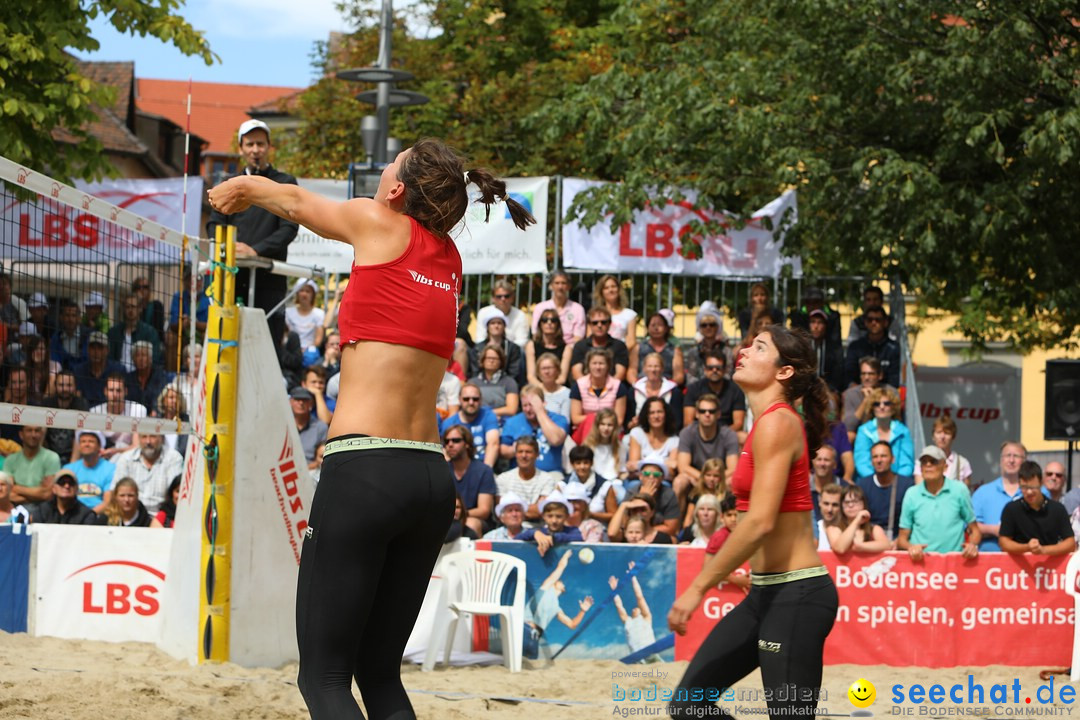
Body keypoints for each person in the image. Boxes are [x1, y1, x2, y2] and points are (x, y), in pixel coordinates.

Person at [209, 136, 535, 720]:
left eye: (394, 160)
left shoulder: (379, 222)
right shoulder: (448, 259)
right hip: (429, 481)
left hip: (366, 471)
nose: (384, 164)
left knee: (324, 679)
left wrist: (243, 186)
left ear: (397, 189)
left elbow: (292, 201)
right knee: (380, 675)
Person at [667, 324, 837, 720]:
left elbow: (759, 523)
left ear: (784, 372)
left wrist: (698, 589)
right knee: (689, 706)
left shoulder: (779, 422)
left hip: (798, 595)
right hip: (763, 595)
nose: (744, 351)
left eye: (759, 347)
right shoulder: (762, 426)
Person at [207, 119, 299, 348]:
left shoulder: (285, 183)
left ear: (269, 147)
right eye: (250, 144)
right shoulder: (229, 184)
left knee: (266, 351)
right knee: (228, 350)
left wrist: (255, 251)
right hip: (231, 281)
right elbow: (214, 225)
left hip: (270, 284)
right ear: (241, 149)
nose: (255, 150)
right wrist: (231, 248)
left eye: (260, 144)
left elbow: (289, 228)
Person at [897, 445, 980, 559]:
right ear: (920, 468)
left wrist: (972, 545)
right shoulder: (911, 494)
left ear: (945, 467)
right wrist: (911, 547)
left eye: (933, 461)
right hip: (921, 566)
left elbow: (974, 530)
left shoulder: (959, 490)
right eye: (924, 462)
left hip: (953, 566)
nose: (928, 465)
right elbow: (902, 539)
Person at [971, 441, 1049, 552]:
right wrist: (995, 530)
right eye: (1007, 455)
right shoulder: (982, 493)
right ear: (1001, 460)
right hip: (990, 560)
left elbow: (1048, 523)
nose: (1011, 460)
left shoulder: (1040, 492)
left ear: (1025, 461)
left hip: (1030, 560)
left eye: (1016, 456)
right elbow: (971, 526)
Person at [674, 393, 740, 506]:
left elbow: (733, 468)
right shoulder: (687, 433)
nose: (707, 414)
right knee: (679, 482)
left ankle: (731, 519)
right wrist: (704, 478)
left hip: (721, 478)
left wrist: (714, 478)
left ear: (718, 414)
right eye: (702, 411)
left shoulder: (729, 435)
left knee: (733, 482)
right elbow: (683, 467)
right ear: (697, 414)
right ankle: (678, 522)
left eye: (712, 411)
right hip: (695, 478)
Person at [998, 460, 1075, 556]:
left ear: (1041, 483)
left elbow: (1070, 543)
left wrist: (1043, 550)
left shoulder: (1057, 509)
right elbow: (1004, 542)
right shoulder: (1011, 509)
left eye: (1033, 487)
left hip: (1050, 566)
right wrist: (1026, 547)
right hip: (1019, 568)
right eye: (1024, 487)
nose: (1029, 492)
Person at [494, 436, 562, 528]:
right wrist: (531, 509)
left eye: (528, 452)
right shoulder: (503, 479)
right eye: (520, 452)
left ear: (537, 455)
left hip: (539, 529)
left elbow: (541, 510)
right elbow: (502, 511)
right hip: (509, 530)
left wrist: (513, 511)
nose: (524, 456)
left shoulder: (547, 479)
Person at [500, 385, 569, 473]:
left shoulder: (558, 419)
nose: (528, 409)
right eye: (525, 405)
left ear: (543, 403)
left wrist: (540, 411)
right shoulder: (513, 422)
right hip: (520, 474)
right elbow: (503, 451)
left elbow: (555, 440)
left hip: (551, 473)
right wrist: (516, 449)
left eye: (531, 405)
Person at [443, 425, 496, 537]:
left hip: (474, 519)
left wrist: (459, 514)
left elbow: (484, 510)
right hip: (447, 518)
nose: (450, 445)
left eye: (456, 440)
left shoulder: (483, 471)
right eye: (447, 442)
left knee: (470, 524)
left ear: (467, 444)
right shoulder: (442, 471)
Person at [111, 432, 183, 514]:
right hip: (132, 515)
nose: (148, 441)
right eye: (144, 437)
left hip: (162, 515)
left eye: (153, 436)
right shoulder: (126, 458)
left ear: (161, 438)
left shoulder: (174, 458)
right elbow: (115, 491)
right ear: (138, 438)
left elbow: (176, 493)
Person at [855, 441, 914, 541]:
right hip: (870, 541)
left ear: (892, 459)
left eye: (883, 456)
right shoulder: (862, 485)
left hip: (898, 541)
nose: (879, 460)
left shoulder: (906, 485)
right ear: (871, 461)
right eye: (875, 457)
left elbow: (912, 519)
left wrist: (899, 541)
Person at [852, 386, 914, 478]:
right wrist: (877, 481)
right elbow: (861, 463)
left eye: (887, 403)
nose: (881, 407)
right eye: (877, 404)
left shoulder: (903, 431)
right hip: (869, 481)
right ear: (872, 408)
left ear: (893, 408)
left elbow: (907, 464)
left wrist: (895, 481)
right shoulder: (863, 431)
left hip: (898, 482)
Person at [683, 349, 745, 436]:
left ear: (725, 370)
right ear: (704, 369)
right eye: (710, 368)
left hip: (726, 435)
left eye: (718, 368)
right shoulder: (694, 389)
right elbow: (688, 422)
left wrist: (718, 436)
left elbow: (738, 424)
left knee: (742, 436)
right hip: (699, 435)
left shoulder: (735, 390)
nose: (714, 370)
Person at [441, 382, 500, 468]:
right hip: (457, 469)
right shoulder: (449, 423)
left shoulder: (488, 416)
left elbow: (493, 443)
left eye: (475, 399)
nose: (471, 402)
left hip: (482, 465)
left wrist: (485, 472)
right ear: (459, 400)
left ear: (481, 400)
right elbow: (445, 451)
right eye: (466, 399)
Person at [90, 373, 147, 458]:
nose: (115, 395)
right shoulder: (95, 412)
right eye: (111, 390)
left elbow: (137, 446)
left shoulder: (138, 410)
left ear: (125, 392)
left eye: (118, 391)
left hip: (130, 456)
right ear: (105, 391)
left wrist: (115, 452)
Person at [570, 347, 628, 428]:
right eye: (594, 363)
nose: (598, 367)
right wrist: (597, 418)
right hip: (585, 429)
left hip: (610, 430)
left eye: (601, 363)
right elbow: (575, 419)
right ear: (588, 365)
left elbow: (619, 420)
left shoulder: (618, 386)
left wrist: (602, 423)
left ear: (608, 366)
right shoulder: (579, 385)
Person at [844, 305, 901, 388]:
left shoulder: (894, 348)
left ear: (885, 323)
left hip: (885, 393)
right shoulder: (855, 346)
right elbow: (848, 375)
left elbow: (894, 379)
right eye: (870, 320)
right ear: (865, 323)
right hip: (859, 390)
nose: (874, 323)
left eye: (878, 320)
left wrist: (877, 394)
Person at [825, 485, 892, 554]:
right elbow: (840, 548)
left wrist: (861, 546)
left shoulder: (874, 529)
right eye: (846, 502)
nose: (850, 505)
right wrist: (856, 521)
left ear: (863, 504)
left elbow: (887, 545)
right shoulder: (833, 528)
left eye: (855, 501)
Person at [609, 564, 657, 657]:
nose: (634, 608)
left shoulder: (646, 618)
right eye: (635, 608)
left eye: (637, 608)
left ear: (641, 612)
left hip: (651, 655)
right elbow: (619, 606)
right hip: (636, 658)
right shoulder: (628, 621)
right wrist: (615, 591)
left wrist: (633, 577)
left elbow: (639, 597)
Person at [4, 425, 61, 504]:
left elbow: (48, 494)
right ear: (21, 434)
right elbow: (8, 494)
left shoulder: (52, 457)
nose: (33, 435)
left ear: (41, 434)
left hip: (44, 509)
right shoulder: (10, 460)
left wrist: (17, 488)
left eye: (37, 431)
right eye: (29, 431)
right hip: (16, 507)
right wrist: (37, 493)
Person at [841, 356, 894, 441]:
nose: (866, 378)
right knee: (849, 435)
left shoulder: (890, 392)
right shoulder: (851, 394)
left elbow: (896, 419)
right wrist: (866, 401)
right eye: (863, 373)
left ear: (880, 376)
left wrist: (875, 399)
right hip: (860, 435)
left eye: (871, 374)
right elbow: (848, 426)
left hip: (885, 432)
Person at [626, 397, 680, 480]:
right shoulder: (637, 433)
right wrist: (664, 463)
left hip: (663, 482)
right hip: (638, 480)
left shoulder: (674, 440)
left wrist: (642, 464)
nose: (656, 416)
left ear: (666, 414)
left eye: (660, 412)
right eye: (652, 413)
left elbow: (672, 471)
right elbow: (632, 466)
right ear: (646, 415)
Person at [62, 430, 115, 513]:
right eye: (83, 441)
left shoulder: (111, 469)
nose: (86, 444)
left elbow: (107, 502)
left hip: (99, 516)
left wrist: (88, 516)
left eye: (91, 441)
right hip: (73, 515)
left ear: (99, 446)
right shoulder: (68, 469)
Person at [570, 306, 629, 381]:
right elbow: (576, 373)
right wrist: (588, 389)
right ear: (589, 325)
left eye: (603, 322)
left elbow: (620, 373)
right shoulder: (580, 346)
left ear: (609, 324)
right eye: (595, 323)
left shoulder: (619, 346)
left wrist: (608, 389)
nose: (599, 325)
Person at [468, 307, 525, 385]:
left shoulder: (513, 348)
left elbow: (514, 373)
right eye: (493, 323)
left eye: (499, 323)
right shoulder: (477, 348)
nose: (496, 326)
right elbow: (475, 371)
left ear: (504, 326)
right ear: (487, 327)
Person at [42, 370, 89, 463]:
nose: (65, 389)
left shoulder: (81, 404)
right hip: (49, 455)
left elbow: (80, 435)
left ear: (75, 387)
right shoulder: (47, 404)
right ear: (55, 386)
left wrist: (72, 465)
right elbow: (41, 434)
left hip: (75, 456)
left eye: (69, 385)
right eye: (61, 385)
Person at [913, 415, 973, 487]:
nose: (942, 437)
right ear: (933, 436)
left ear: (953, 437)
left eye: (947, 433)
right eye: (939, 432)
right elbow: (919, 489)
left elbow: (965, 493)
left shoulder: (962, 463)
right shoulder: (921, 462)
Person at [517, 492, 583, 556]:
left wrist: (554, 538)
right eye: (550, 516)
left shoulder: (572, 531)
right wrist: (534, 533)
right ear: (543, 516)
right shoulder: (540, 532)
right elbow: (515, 540)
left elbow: (578, 538)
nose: (554, 521)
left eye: (559, 516)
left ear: (566, 516)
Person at [628, 312, 684, 386]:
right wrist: (637, 386)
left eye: (660, 325)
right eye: (653, 325)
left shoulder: (674, 350)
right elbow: (632, 371)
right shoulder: (638, 348)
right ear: (647, 328)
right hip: (642, 387)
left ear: (666, 328)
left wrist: (667, 387)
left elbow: (679, 375)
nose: (656, 328)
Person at [684, 301, 733, 384]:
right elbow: (690, 377)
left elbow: (728, 374)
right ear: (700, 328)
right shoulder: (693, 352)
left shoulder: (726, 351)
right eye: (704, 325)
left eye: (712, 324)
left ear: (717, 327)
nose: (708, 327)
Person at [107, 294, 161, 370]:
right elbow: (109, 358)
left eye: (133, 306)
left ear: (140, 309)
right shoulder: (114, 332)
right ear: (123, 309)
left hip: (140, 374)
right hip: (118, 374)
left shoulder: (150, 332)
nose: (130, 310)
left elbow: (155, 359)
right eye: (127, 307)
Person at [530, 271, 585, 344]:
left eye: (563, 283)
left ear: (569, 286)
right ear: (551, 286)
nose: (560, 287)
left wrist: (566, 351)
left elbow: (578, 337)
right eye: (557, 283)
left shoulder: (578, 309)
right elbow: (535, 334)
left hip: (570, 349)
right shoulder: (540, 308)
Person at [73, 331, 125, 407]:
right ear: (88, 350)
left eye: (100, 348)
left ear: (107, 350)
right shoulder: (78, 371)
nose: (96, 352)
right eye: (93, 348)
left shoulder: (119, 369)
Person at [632, 352, 683, 427]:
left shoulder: (674, 392)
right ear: (644, 369)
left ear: (662, 369)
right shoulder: (634, 391)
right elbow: (628, 422)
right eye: (649, 366)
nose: (653, 370)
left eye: (656, 366)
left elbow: (677, 421)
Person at [29, 469, 97, 525]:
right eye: (62, 482)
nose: (66, 486)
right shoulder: (41, 511)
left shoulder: (86, 515)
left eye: (71, 483)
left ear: (77, 489)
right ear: (54, 488)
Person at [469, 344, 519, 419]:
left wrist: (488, 414)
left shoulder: (509, 382)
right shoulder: (472, 383)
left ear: (501, 362)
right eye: (488, 358)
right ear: (482, 360)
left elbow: (512, 409)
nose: (491, 361)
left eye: (495, 358)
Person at [475, 280, 529, 348]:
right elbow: (480, 338)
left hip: (512, 352)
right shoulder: (483, 313)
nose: (503, 299)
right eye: (499, 296)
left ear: (512, 298)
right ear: (493, 298)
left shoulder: (520, 315)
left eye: (506, 296)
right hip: (487, 350)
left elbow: (522, 340)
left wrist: (505, 349)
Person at [525, 311, 572, 388]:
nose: (549, 323)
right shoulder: (531, 345)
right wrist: (543, 389)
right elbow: (531, 377)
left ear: (558, 325)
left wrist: (551, 389)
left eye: (553, 320)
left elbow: (562, 378)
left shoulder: (567, 348)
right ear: (540, 324)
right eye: (545, 320)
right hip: (537, 388)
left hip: (558, 388)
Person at [594, 274, 638, 352]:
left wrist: (616, 354)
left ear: (619, 289)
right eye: (606, 288)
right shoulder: (595, 314)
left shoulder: (630, 314)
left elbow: (631, 341)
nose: (610, 290)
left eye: (613, 286)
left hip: (621, 354)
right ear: (601, 292)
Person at [97, 477, 163, 527]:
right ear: (115, 497)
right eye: (122, 496)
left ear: (137, 496)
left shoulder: (147, 522)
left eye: (130, 495)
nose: (126, 500)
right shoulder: (105, 519)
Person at [289, 386, 328, 470]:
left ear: (311, 403)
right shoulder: (282, 425)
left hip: (312, 472)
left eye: (304, 400)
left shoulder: (320, 427)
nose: (301, 403)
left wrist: (304, 470)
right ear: (290, 402)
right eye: (297, 399)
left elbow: (321, 458)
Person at [808, 308, 845, 393]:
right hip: (806, 389)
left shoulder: (834, 349)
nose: (816, 326)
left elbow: (838, 375)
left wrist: (829, 389)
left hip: (828, 390)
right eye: (813, 322)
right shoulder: (803, 347)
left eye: (820, 323)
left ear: (826, 326)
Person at [124, 341, 169, 410]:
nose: (141, 359)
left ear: (150, 358)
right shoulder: (128, 379)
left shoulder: (160, 377)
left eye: (144, 355)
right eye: (137, 355)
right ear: (133, 359)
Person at [285, 279, 325, 355]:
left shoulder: (319, 313)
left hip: (310, 351)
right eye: (301, 291)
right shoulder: (288, 312)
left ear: (313, 295)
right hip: (292, 350)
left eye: (308, 291)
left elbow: (318, 340)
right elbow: (286, 335)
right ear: (297, 294)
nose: (304, 294)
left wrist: (305, 350)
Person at [50, 298, 86, 370]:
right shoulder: (56, 338)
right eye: (67, 315)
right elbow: (54, 362)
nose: (70, 319)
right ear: (61, 318)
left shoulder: (87, 337)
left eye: (73, 315)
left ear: (79, 318)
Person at [535, 352, 571, 419]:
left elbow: (566, 420)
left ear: (557, 370)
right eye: (543, 368)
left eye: (550, 368)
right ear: (538, 372)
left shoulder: (567, 393)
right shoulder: (533, 392)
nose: (546, 372)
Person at [132, 276, 166, 343]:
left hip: (153, 341)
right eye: (138, 287)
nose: (142, 290)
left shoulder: (157, 305)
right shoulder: (131, 307)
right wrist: (138, 302)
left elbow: (158, 329)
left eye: (145, 287)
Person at [815, 483, 842, 551]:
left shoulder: (848, 531)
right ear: (819, 503)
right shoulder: (812, 531)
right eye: (826, 504)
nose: (830, 509)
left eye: (835, 505)